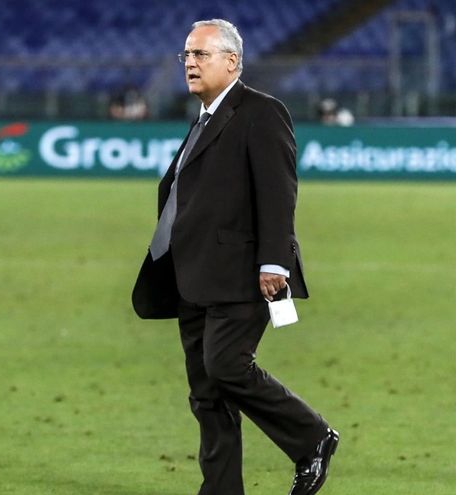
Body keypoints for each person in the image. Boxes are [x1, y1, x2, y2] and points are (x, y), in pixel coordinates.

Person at [131, 19, 339, 495]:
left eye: (200, 54)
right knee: (207, 393)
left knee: (226, 366)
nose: (189, 62)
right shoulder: (205, 116)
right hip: (192, 275)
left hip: (242, 272)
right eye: (186, 55)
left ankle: (312, 438)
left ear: (232, 61)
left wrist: (274, 262)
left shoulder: (261, 111)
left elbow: (278, 190)